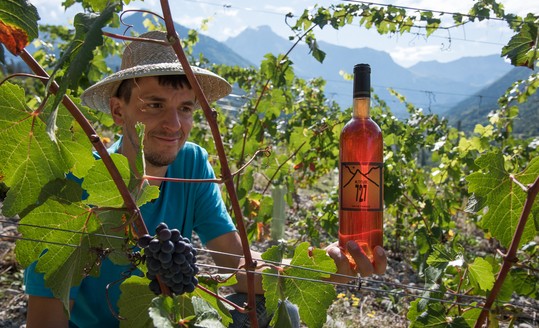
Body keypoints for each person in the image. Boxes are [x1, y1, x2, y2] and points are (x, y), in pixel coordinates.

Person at [24, 31, 387, 327]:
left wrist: (313, 272)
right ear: (119, 110)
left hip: (171, 320)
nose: (174, 125)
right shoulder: (74, 185)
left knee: (281, 314)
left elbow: (235, 262)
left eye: (185, 108)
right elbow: (45, 319)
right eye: (154, 105)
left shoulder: (192, 163)